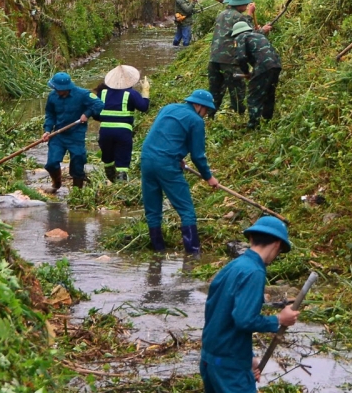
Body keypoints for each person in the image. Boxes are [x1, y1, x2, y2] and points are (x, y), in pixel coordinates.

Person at [195, 216, 299, 393]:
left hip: (211, 357)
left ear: (252, 239)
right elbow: (243, 319)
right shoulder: (254, 272)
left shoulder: (233, 267)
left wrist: (247, 355)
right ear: (276, 245)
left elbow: (217, 315)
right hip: (228, 365)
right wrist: (278, 319)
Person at [139, 90, 220, 254]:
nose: (205, 114)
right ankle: (193, 254)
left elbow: (164, 134)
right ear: (198, 106)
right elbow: (198, 156)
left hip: (147, 159)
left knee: (153, 210)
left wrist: (178, 155)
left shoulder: (168, 108)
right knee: (186, 210)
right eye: (206, 110)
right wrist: (209, 177)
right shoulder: (196, 120)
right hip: (166, 164)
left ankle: (158, 252)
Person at [41, 72, 104, 193]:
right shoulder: (52, 97)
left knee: (78, 159)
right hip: (58, 134)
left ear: (66, 88)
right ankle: (56, 184)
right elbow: (50, 115)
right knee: (52, 163)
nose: (56, 91)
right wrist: (47, 130)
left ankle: (77, 191)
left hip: (76, 134)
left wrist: (87, 114)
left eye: (58, 89)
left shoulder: (83, 94)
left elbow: (99, 104)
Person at [209, 0, 268, 116]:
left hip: (214, 59)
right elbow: (250, 35)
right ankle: (239, 116)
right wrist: (263, 29)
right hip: (230, 60)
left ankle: (209, 115)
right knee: (237, 91)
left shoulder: (221, 14)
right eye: (245, 4)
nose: (246, 6)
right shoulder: (239, 17)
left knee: (215, 91)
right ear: (239, 4)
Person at [92, 65, 150, 182]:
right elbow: (144, 107)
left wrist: (106, 120)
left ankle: (110, 177)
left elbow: (95, 113)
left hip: (105, 131)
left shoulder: (102, 93)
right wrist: (145, 91)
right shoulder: (131, 93)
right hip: (123, 132)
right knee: (122, 161)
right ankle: (120, 184)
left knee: (107, 159)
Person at [231, 21, 282, 130]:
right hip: (276, 65)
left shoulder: (240, 37)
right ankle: (268, 120)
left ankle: (253, 126)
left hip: (262, 67)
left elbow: (241, 58)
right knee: (269, 94)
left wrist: (245, 72)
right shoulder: (258, 35)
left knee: (253, 97)